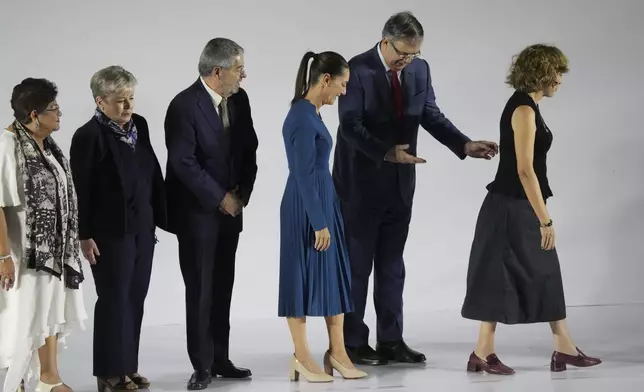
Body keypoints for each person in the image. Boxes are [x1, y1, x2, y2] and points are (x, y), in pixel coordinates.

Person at [332, 11, 498, 366]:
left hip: (400, 185)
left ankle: (391, 341)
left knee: (393, 266)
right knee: (357, 266)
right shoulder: (357, 69)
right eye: (402, 53)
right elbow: (349, 125)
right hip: (359, 185)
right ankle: (351, 343)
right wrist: (387, 153)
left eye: (414, 54)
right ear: (385, 40)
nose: (407, 61)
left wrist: (464, 145)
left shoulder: (419, 70)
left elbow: (431, 115)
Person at [460, 44, 602, 375]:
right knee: (506, 275)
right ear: (540, 72)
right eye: (558, 72)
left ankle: (558, 347)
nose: (561, 79)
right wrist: (545, 219)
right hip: (511, 207)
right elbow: (525, 170)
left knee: (540, 272)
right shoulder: (523, 110)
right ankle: (487, 352)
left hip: (514, 205)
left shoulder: (528, 108)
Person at [163, 37, 258, 390]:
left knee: (223, 287)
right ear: (218, 72)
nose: (243, 75)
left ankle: (220, 357)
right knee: (200, 289)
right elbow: (183, 163)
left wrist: (242, 193)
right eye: (239, 69)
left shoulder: (240, 100)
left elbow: (249, 148)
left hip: (231, 211)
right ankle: (201, 365)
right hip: (197, 213)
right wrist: (220, 198)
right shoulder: (183, 106)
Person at [69, 65, 168, 390]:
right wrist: (84, 235)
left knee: (136, 298)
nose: (128, 107)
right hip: (109, 234)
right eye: (120, 101)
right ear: (100, 101)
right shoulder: (88, 136)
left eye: (131, 98)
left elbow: (151, 171)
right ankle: (110, 373)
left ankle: (128, 366)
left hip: (142, 228)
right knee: (114, 299)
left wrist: (162, 215)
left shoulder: (139, 125)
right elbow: (80, 190)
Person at [278, 51, 368, 383]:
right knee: (299, 277)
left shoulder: (313, 112)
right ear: (326, 79)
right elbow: (301, 173)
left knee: (335, 276)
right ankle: (302, 357)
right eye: (342, 85)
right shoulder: (301, 116)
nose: (344, 92)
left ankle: (338, 353)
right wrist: (318, 221)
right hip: (305, 206)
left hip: (322, 202)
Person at [0, 78, 87, 392]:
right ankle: (18, 380)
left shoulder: (47, 145)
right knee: (24, 315)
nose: (59, 113)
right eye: (53, 109)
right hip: (23, 253)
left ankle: (49, 378)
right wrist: (3, 257)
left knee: (49, 312)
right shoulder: (7, 146)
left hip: (52, 251)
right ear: (34, 115)